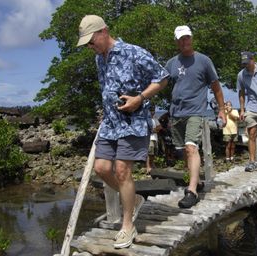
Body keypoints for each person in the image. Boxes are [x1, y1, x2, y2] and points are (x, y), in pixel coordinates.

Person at [77, 15, 169, 248]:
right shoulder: (100, 59)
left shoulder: (133, 52)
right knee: (101, 168)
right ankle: (134, 198)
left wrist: (140, 98)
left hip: (133, 120)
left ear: (104, 31)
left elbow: (163, 78)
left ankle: (127, 226)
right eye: (87, 43)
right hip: (110, 123)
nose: (90, 46)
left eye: (91, 41)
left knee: (121, 170)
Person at [165, 25, 226, 208]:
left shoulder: (204, 61)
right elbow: (159, 84)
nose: (185, 41)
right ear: (176, 41)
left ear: (191, 38)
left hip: (196, 111)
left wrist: (221, 109)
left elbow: (216, 87)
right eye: (181, 38)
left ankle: (191, 191)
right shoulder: (171, 63)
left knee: (191, 148)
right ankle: (197, 181)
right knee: (183, 150)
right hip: (176, 113)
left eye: (187, 37)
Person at [146, 105, 162, 175]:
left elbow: (160, 127)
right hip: (149, 138)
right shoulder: (146, 119)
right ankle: (148, 167)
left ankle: (152, 165)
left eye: (153, 110)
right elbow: (147, 129)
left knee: (154, 153)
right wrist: (154, 130)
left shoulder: (155, 119)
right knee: (149, 153)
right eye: (151, 110)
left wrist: (154, 130)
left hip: (155, 138)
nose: (153, 112)